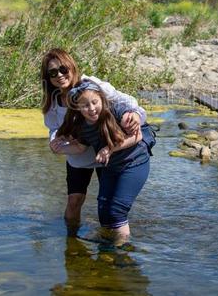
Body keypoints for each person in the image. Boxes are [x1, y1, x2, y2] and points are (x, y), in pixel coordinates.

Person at [41, 48, 146, 235]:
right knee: (74, 201)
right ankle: (72, 241)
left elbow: (124, 103)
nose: (60, 75)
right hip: (79, 154)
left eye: (63, 69)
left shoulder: (91, 85)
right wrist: (55, 143)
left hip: (104, 153)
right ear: (48, 78)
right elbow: (55, 130)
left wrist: (135, 114)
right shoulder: (54, 101)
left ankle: (113, 238)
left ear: (72, 67)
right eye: (53, 72)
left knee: (108, 204)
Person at [56, 80, 151, 245]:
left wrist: (109, 149)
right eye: (85, 105)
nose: (91, 109)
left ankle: (123, 252)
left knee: (116, 211)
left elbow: (137, 136)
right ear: (78, 108)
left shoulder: (117, 111)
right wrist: (60, 148)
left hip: (134, 162)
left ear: (102, 99)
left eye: (95, 102)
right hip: (111, 167)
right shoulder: (83, 125)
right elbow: (80, 147)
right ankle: (109, 250)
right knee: (104, 212)